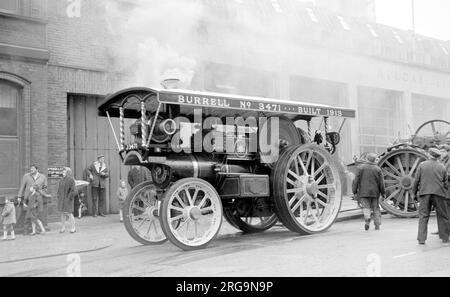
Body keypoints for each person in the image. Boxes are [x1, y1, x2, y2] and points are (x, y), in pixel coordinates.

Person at [413, 148, 449, 245]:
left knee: (423, 216)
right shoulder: (442, 167)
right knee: (443, 216)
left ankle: (421, 239)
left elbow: (416, 180)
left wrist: (414, 193)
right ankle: (445, 238)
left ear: (429, 155)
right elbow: (445, 183)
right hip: (439, 194)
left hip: (425, 194)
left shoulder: (422, 165)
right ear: (438, 157)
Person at [352, 153, 385, 231]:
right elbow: (381, 183)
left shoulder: (360, 168)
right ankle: (377, 225)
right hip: (375, 193)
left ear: (367, 159)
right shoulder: (378, 169)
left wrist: (354, 191)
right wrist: (383, 193)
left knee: (366, 207)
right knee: (376, 208)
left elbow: (355, 181)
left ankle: (367, 218)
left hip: (363, 192)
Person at [17, 164, 48, 234]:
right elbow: (22, 187)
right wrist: (19, 196)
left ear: (37, 170)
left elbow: (45, 188)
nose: (31, 170)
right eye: (30, 169)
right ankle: (25, 230)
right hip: (28, 198)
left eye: (33, 169)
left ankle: (36, 230)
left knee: (35, 215)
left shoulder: (43, 177)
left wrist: (40, 193)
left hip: (38, 198)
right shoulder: (26, 176)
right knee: (27, 215)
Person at [57, 167, 77, 233]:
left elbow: (73, 191)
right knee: (62, 213)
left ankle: (73, 228)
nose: (63, 173)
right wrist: (58, 196)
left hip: (68, 200)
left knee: (69, 213)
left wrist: (69, 198)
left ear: (68, 172)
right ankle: (63, 228)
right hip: (61, 199)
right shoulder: (61, 180)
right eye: (63, 171)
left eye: (65, 171)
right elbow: (59, 189)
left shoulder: (71, 180)